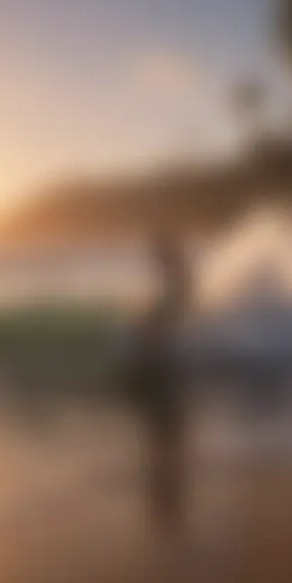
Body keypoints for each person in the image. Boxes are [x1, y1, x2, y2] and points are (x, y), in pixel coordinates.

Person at [127, 228, 192, 534]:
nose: (153, 258)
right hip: (175, 302)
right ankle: (156, 369)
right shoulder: (174, 267)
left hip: (175, 303)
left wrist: (153, 321)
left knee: (165, 430)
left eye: (156, 252)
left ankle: (155, 370)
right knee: (166, 433)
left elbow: (177, 295)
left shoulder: (176, 267)